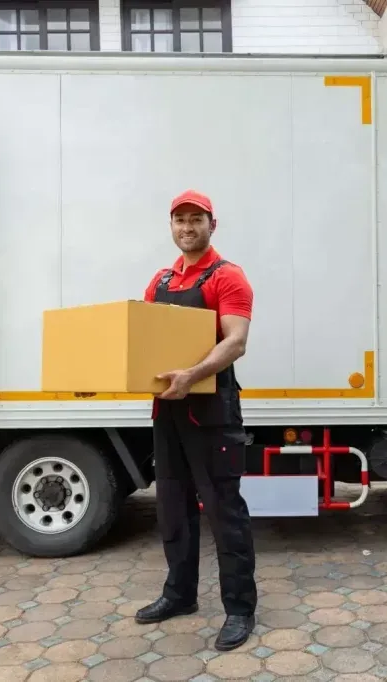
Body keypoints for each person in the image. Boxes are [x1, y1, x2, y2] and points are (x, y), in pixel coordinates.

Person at [134, 190, 257, 651]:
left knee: (225, 512)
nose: (187, 228)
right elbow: (142, 337)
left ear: (212, 224)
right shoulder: (160, 279)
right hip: (168, 410)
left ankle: (240, 609)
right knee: (173, 508)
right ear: (171, 226)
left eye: (196, 220)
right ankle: (180, 595)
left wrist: (193, 374)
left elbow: (236, 342)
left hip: (211, 412)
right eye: (179, 220)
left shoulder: (228, 277)